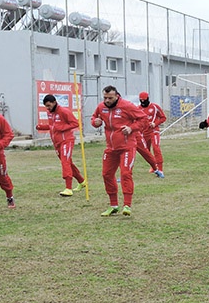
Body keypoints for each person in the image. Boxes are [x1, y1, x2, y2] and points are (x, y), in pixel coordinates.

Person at [91, 85, 148, 216]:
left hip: (127, 147)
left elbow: (143, 119)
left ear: (116, 96)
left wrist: (131, 128)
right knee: (106, 174)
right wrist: (96, 122)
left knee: (125, 173)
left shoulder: (127, 106)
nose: (107, 101)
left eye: (110, 98)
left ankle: (127, 205)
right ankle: (113, 205)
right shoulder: (101, 107)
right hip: (111, 148)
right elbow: (94, 118)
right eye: (105, 98)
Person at [35, 94, 86, 196]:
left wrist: (62, 127)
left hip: (66, 141)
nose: (48, 108)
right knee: (68, 163)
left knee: (65, 162)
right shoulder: (50, 113)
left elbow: (75, 124)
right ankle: (82, 181)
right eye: (46, 106)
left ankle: (68, 188)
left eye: (49, 105)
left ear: (54, 102)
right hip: (57, 143)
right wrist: (42, 127)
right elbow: (53, 126)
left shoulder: (64, 111)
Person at [136, 91, 167, 177]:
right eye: (141, 100)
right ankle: (153, 166)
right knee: (146, 151)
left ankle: (160, 169)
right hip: (144, 133)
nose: (143, 102)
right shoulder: (138, 109)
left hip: (154, 131)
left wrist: (155, 124)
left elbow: (163, 117)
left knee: (156, 148)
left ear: (148, 99)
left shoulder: (155, 107)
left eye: (144, 100)